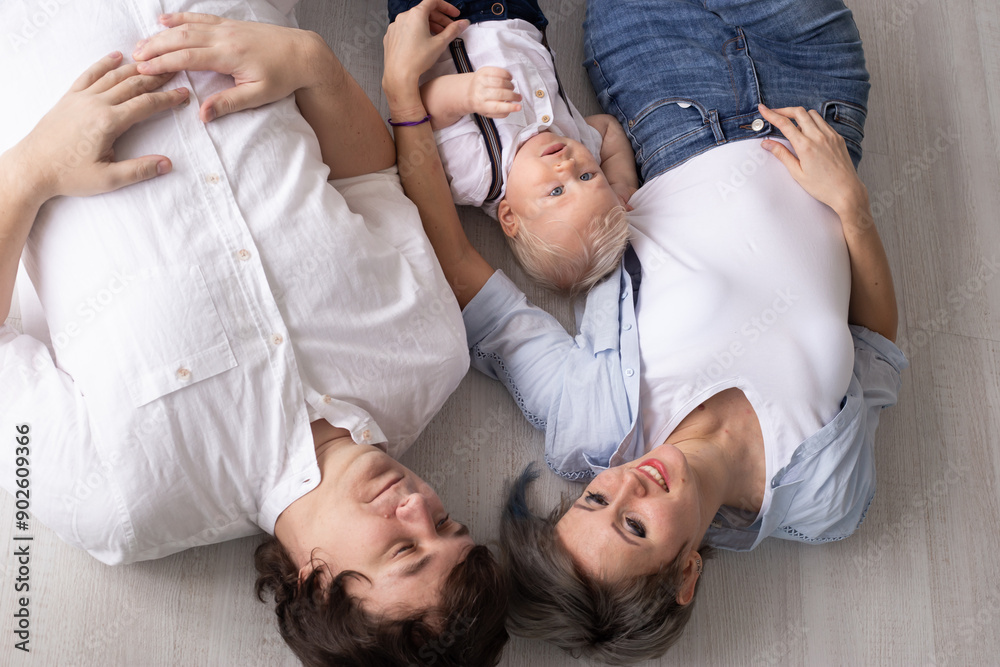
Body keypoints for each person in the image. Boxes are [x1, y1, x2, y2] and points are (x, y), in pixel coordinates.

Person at [383, 0, 906, 662]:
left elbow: (462, 273)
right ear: (686, 573)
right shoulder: (828, 496)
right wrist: (852, 207)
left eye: (595, 497)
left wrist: (403, 96)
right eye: (633, 525)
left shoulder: (592, 420)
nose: (629, 482)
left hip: (669, 82)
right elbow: (878, 347)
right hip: (820, 100)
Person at [0, 2, 508, 665]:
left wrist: (30, 168)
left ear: (315, 585)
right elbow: (368, 179)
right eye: (446, 523)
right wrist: (310, 63)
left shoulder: (123, 504)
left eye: (403, 548)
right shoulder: (432, 352)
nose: (416, 503)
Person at [386, 0, 638, 294]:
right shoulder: (578, 144)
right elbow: (607, 128)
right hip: (520, 14)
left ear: (509, 216)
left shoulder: (479, 175)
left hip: (444, 19)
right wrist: (621, 182)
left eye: (556, 191)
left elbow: (421, 107)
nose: (568, 165)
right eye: (587, 177)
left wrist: (466, 93)